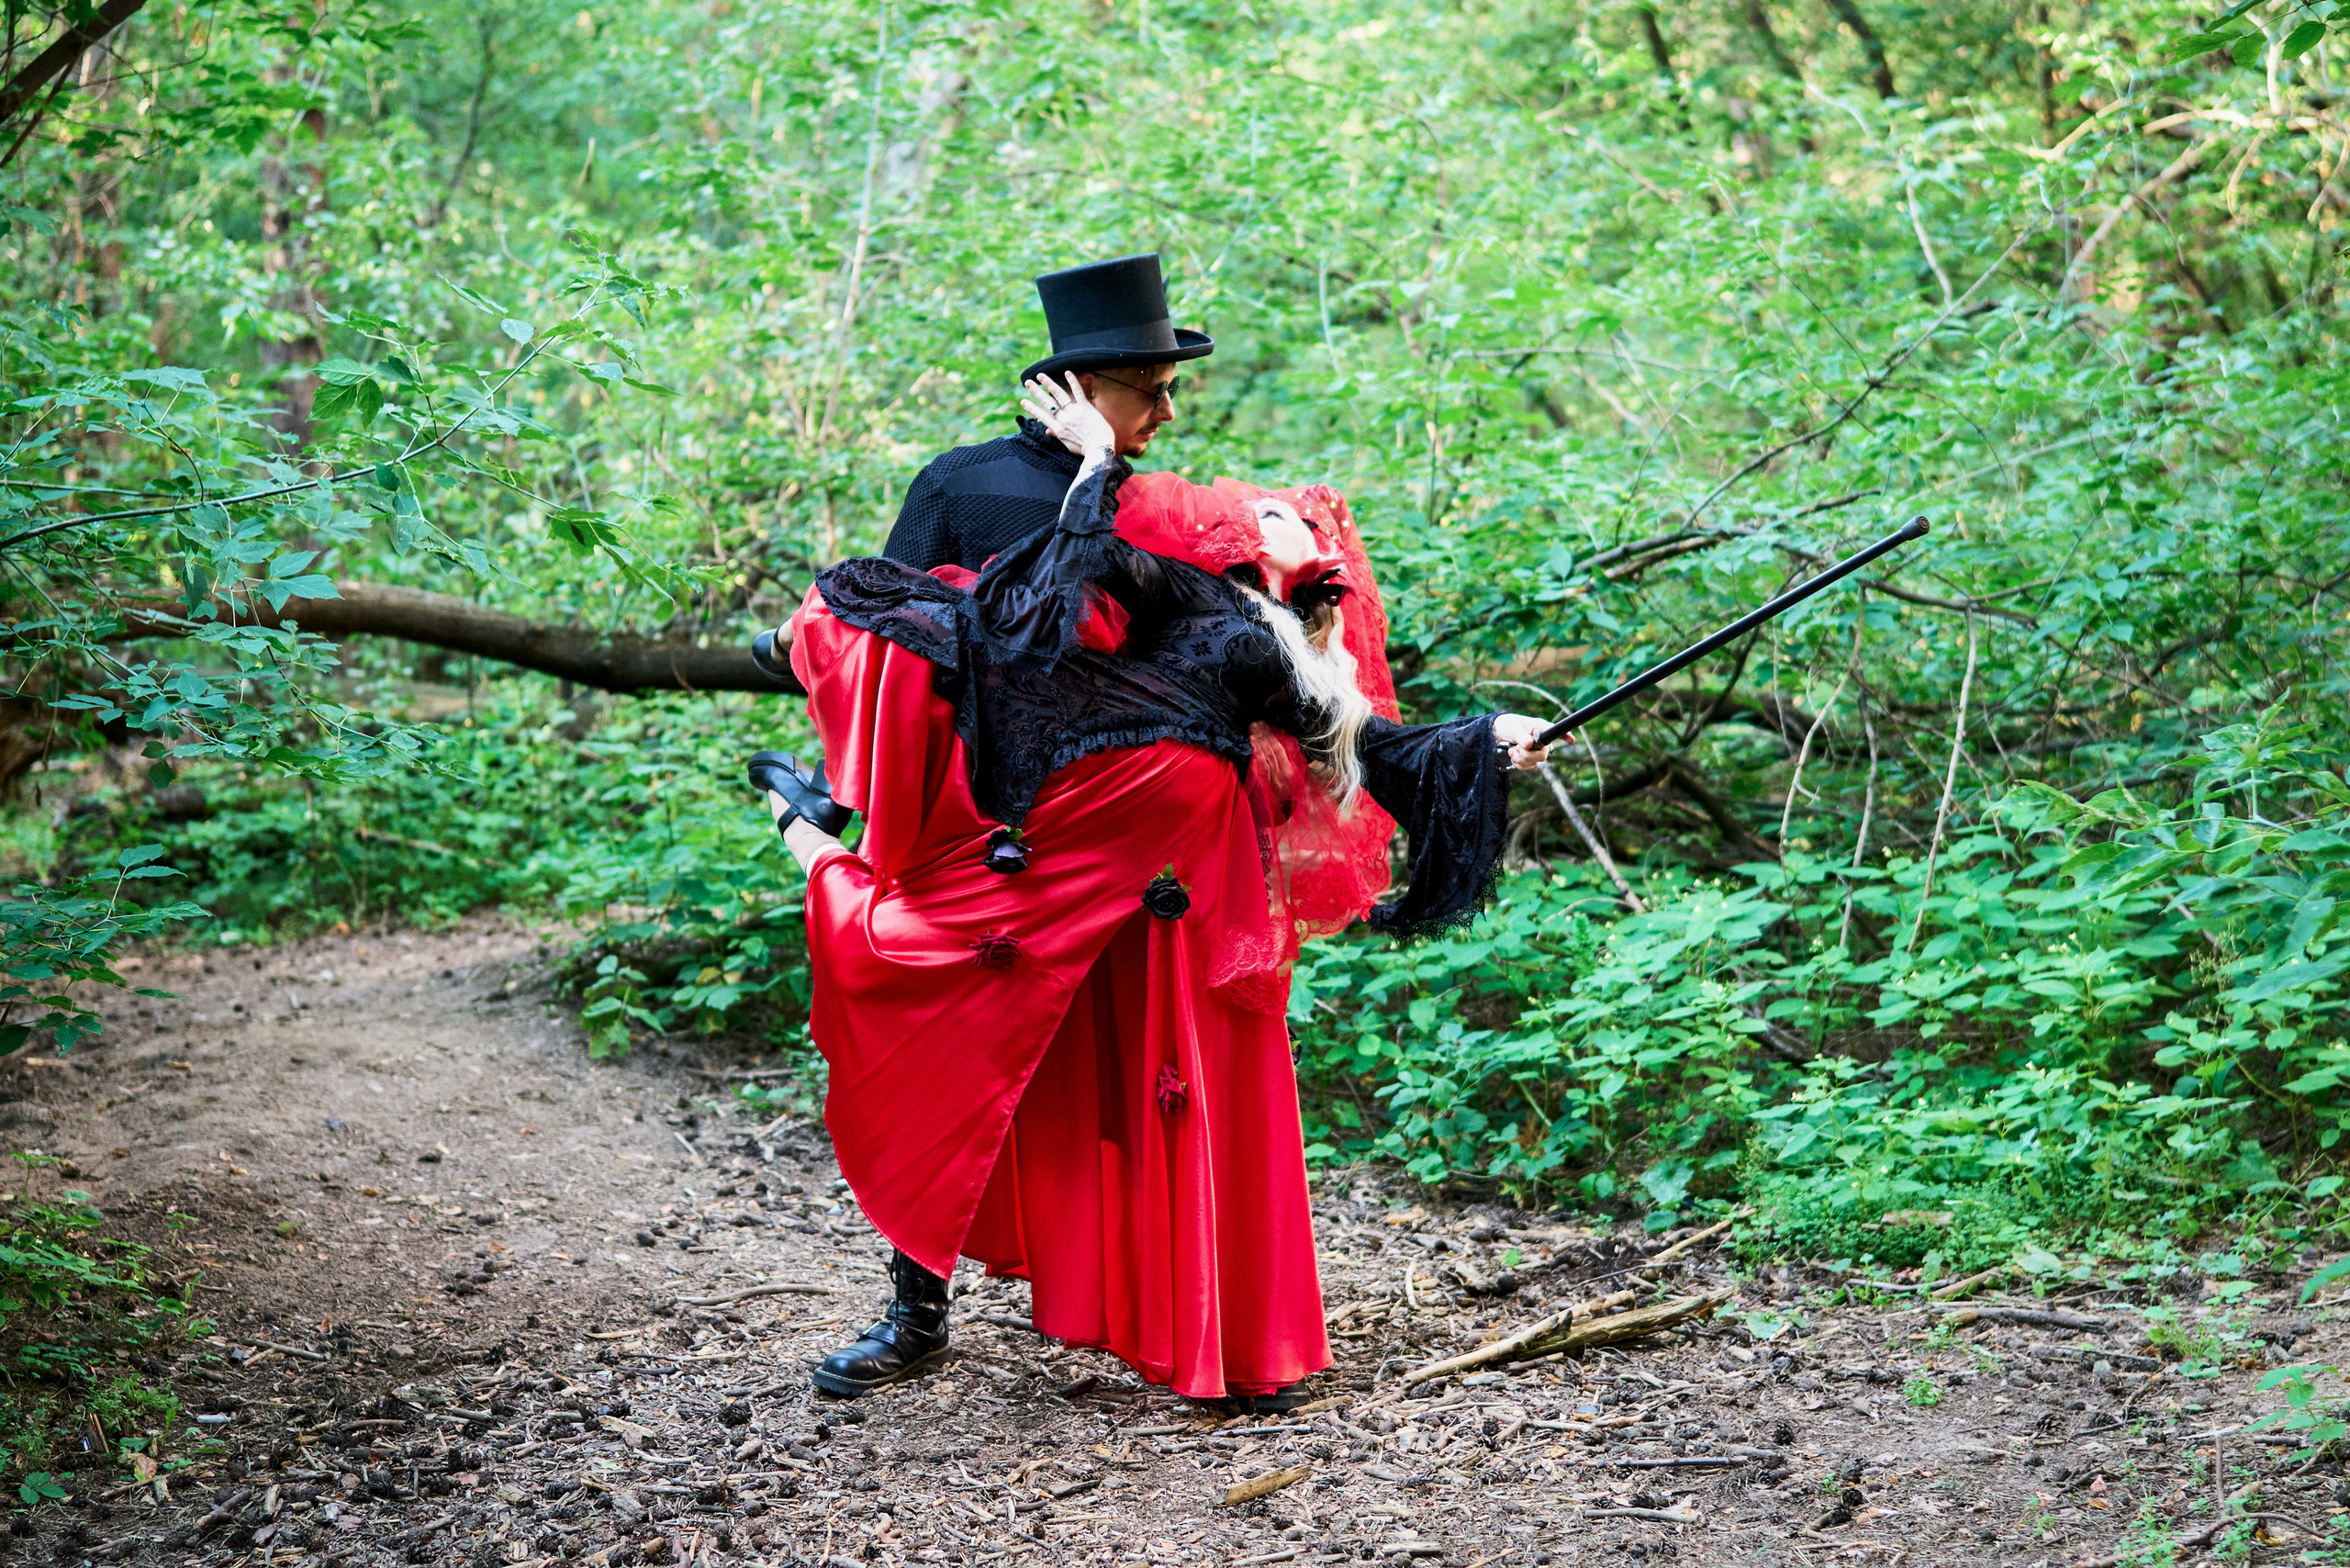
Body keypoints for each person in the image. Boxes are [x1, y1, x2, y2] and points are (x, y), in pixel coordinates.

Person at [751, 374, 1561, 1403]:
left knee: (1167, 1087)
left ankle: (1209, 1336)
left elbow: (1372, 748)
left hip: (1159, 885)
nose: (1304, 564)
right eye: (1156, 391)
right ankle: (803, 823)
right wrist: (1093, 465)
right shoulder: (1144, 569)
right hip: (1028, 843)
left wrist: (1493, 740)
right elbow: (1008, 613)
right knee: (926, 993)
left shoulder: (1266, 645)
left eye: (1313, 567)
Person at [747, 252, 1211, 691]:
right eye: (1154, 392)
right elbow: (887, 628)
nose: (1168, 412)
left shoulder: (1156, 503)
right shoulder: (959, 480)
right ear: (1085, 386)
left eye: (1174, 388)